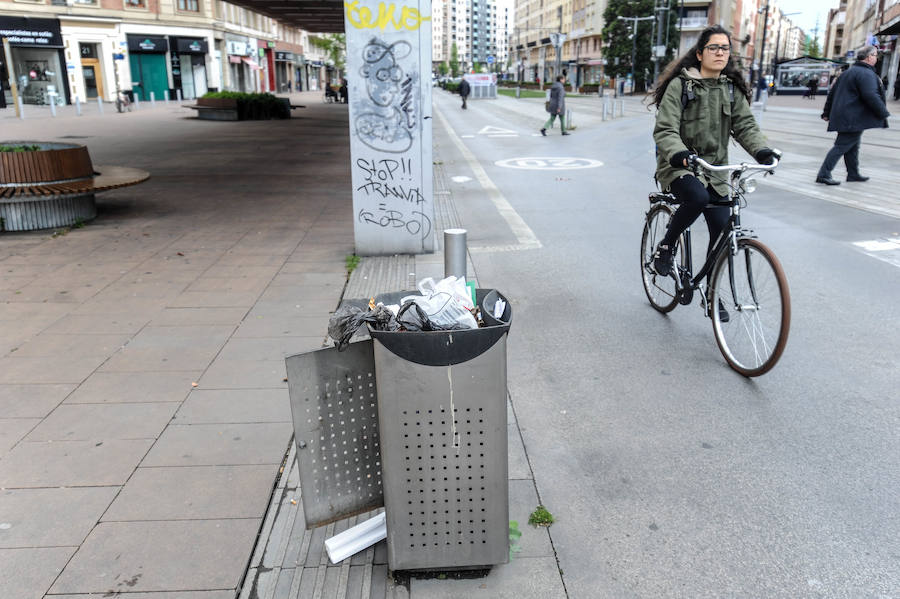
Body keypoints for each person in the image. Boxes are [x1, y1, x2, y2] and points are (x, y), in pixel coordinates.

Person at [649, 25, 777, 317]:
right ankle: (666, 247)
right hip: (679, 165)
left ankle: (710, 293)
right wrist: (679, 153)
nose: (720, 53)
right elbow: (666, 129)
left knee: (722, 229)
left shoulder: (730, 89)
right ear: (699, 53)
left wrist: (763, 151)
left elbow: (745, 126)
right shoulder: (680, 86)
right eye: (713, 48)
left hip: (716, 170)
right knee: (695, 197)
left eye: (725, 48)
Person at [816, 46, 890, 185]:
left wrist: (826, 112)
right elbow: (870, 95)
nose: (876, 58)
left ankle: (853, 173)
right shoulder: (865, 74)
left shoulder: (848, 72)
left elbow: (832, 94)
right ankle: (824, 174)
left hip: (848, 116)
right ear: (868, 57)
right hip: (853, 117)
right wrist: (883, 112)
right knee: (842, 146)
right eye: (875, 55)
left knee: (853, 146)